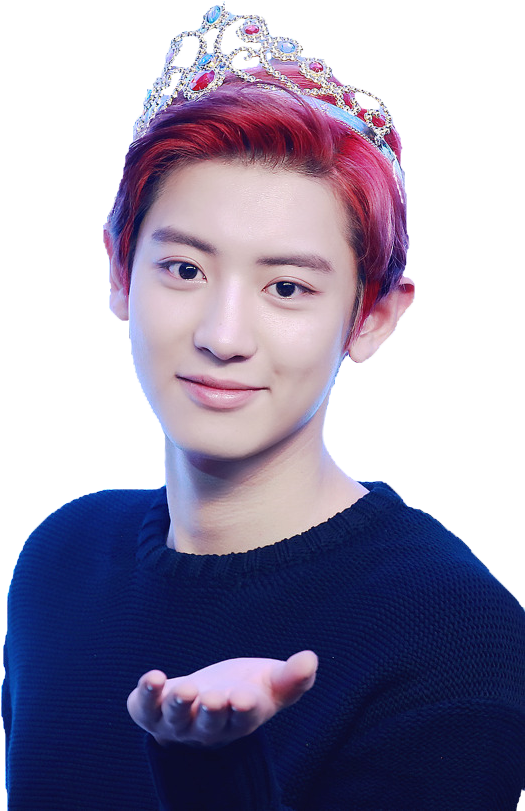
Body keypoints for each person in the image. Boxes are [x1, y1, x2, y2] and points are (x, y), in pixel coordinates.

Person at [4, 4, 525, 809]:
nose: (222, 335)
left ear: (372, 318)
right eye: (184, 270)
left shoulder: (450, 626)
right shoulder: (61, 557)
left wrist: (216, 769)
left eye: (286, 287)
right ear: (119, 273)